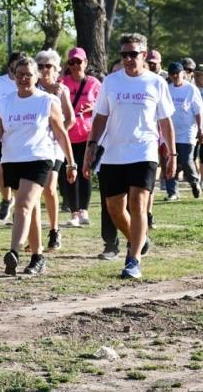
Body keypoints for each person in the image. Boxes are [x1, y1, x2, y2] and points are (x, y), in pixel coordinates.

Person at [83, 34, 175, 280]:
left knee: (138, 203)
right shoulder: (111, 83)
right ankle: (139, 239)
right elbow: (100, 118)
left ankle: (133, 260)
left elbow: (165, 121)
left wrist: (172, 153)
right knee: (114, 209)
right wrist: (90, 148)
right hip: (113, 153)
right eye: (124, 54)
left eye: (133, 54)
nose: (128, 59)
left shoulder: (156, 83)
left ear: (144, 55)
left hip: (144, 151)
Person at [0, 57, 76, 276]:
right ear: (14, 75)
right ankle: (37, 256)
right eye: (19, 73)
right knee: (30, 208)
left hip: (40, 159)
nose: (23, 78)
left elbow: (61, 132)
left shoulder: (47, 101)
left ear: (37, 76)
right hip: (13, 159)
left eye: (28, 74)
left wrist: (71, 163)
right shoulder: (4, 102)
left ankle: (13, 251)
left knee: (22, 205)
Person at [34, 49, 74, 251]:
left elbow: (71, 118)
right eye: (40, 66)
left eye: (48, 66)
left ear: (57, 69)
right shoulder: (32, 88)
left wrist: (58, 133)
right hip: (35, 146)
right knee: (34, 191)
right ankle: (34, 235)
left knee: (49, 187)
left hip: (54, 147)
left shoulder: (62, 90)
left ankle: (54, 229)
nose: (44, 69)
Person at [59, 47, 101, 227]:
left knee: (85, 173)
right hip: (67, 134)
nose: (76, 65)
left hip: (86, 134)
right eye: (72, 62)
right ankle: (74, 212)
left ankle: (84, 210)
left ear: (85, 63)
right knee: (69, 173)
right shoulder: (62, 83)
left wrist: (93, 108)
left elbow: (103, 106)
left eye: (79, 61)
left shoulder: (94, 83)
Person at [0, 51, 24, 221]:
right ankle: (6, 199)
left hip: (20, 137)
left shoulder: (28, 83)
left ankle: (19, 207)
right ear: (9, 66)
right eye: (14, 66)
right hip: (1, 136)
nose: (17, 71)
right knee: (0, 173)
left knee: (18, 175)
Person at [166, 62, 203, 200]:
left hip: (187, 131)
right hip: (170, 131)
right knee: (170, 160)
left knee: (186, 160)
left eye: (178, 73)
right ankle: (172, 192)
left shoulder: (191, 89)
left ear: (183, 74)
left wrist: (200, 128)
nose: (176, 76)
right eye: (173, 74)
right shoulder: (167, 89)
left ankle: (194, 182)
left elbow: (198, 111)